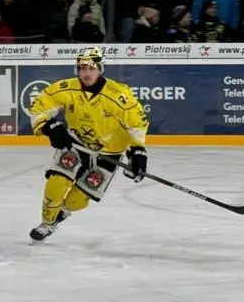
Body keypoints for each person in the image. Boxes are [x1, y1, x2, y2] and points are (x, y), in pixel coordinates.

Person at [25, 47, 150, 242]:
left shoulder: (118, 94)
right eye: (82, 68)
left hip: (109, 153)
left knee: (78, 200)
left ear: (100, 69)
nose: (86, 73)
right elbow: (39, 106)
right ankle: (47, 224)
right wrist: (49, 125)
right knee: (55, 185)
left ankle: (62, 213)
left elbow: (137, 123)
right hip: (76, 145)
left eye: (91, 68)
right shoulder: (67, 88)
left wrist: (138, 151)